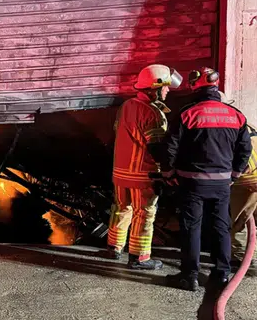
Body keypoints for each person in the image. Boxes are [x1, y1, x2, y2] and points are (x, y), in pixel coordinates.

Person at [163, 68, 252, 291]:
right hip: (222, 183)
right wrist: (234, 175)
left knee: (191, 227)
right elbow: (245, 149)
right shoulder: (236, 115)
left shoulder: (187, 114)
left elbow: (170, 147)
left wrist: (168, 173)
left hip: (192, 182)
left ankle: (189, 276)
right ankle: (222, 274)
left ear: (196, 87)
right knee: (221, 226)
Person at [107, 64, 182, 269]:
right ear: (154, 89)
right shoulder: (153, 113)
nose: (167, 91)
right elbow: (157, 148)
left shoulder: (126, 106)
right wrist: (168, 171)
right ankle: (139, 257)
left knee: (121, 208)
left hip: (121, 173)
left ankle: (114, 247)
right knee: (144, 213)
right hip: (143, 175)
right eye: (165, 87)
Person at [220, 92, 257, 273]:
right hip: (254, 177)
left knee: (239, 220)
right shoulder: (246, 122)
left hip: (245, 180)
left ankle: (242, 258)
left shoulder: (227, 125)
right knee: (252, 217)